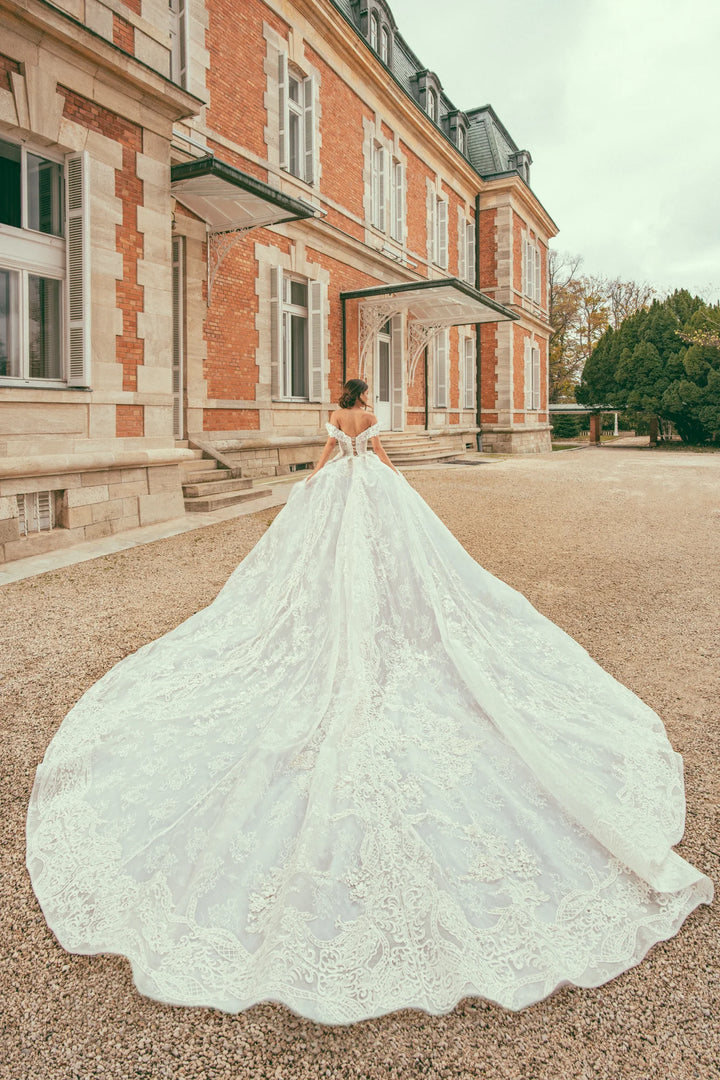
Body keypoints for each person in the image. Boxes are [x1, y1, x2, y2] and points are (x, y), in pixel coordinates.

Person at [26, 378, 713, 1027]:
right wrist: (392, 480)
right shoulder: (373, 420)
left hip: (336, 498)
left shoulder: (333, 421)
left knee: (330, 572)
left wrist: (316, 478)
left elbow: (328, 457)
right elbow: (377, 455)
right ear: (365, 402)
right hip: (373, 496)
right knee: (377, 568)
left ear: (340, 403)